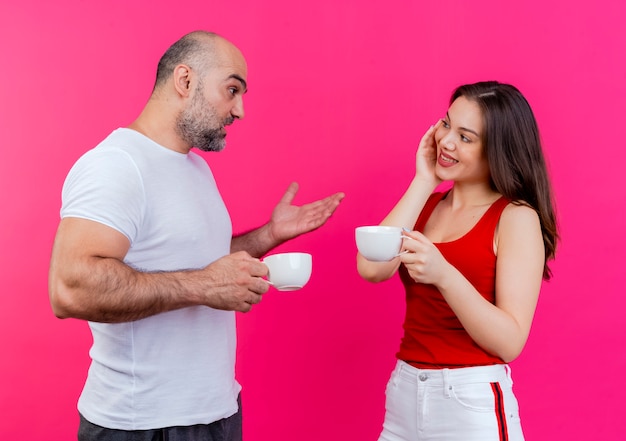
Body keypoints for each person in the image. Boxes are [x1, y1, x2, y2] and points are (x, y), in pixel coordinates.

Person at [48, 30, 344, 441]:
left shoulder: (194, 167)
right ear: (185, 80)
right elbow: (70, 289)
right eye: (232, 89)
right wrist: (205, 285)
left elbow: (198, 259)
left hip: (216, 414)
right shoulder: (116, 164)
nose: (239, 109)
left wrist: (269, 235)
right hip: (144, 426)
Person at [357, 81, 558, 441]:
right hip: (404, 393)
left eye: (466, 137)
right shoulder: (428, 206)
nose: (447, 141)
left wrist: (445, 275)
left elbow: (509, 342)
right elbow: (371, 268)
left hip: (469, 402)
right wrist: (424, 181)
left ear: (497, 149)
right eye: (446, 124)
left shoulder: (514, 217)